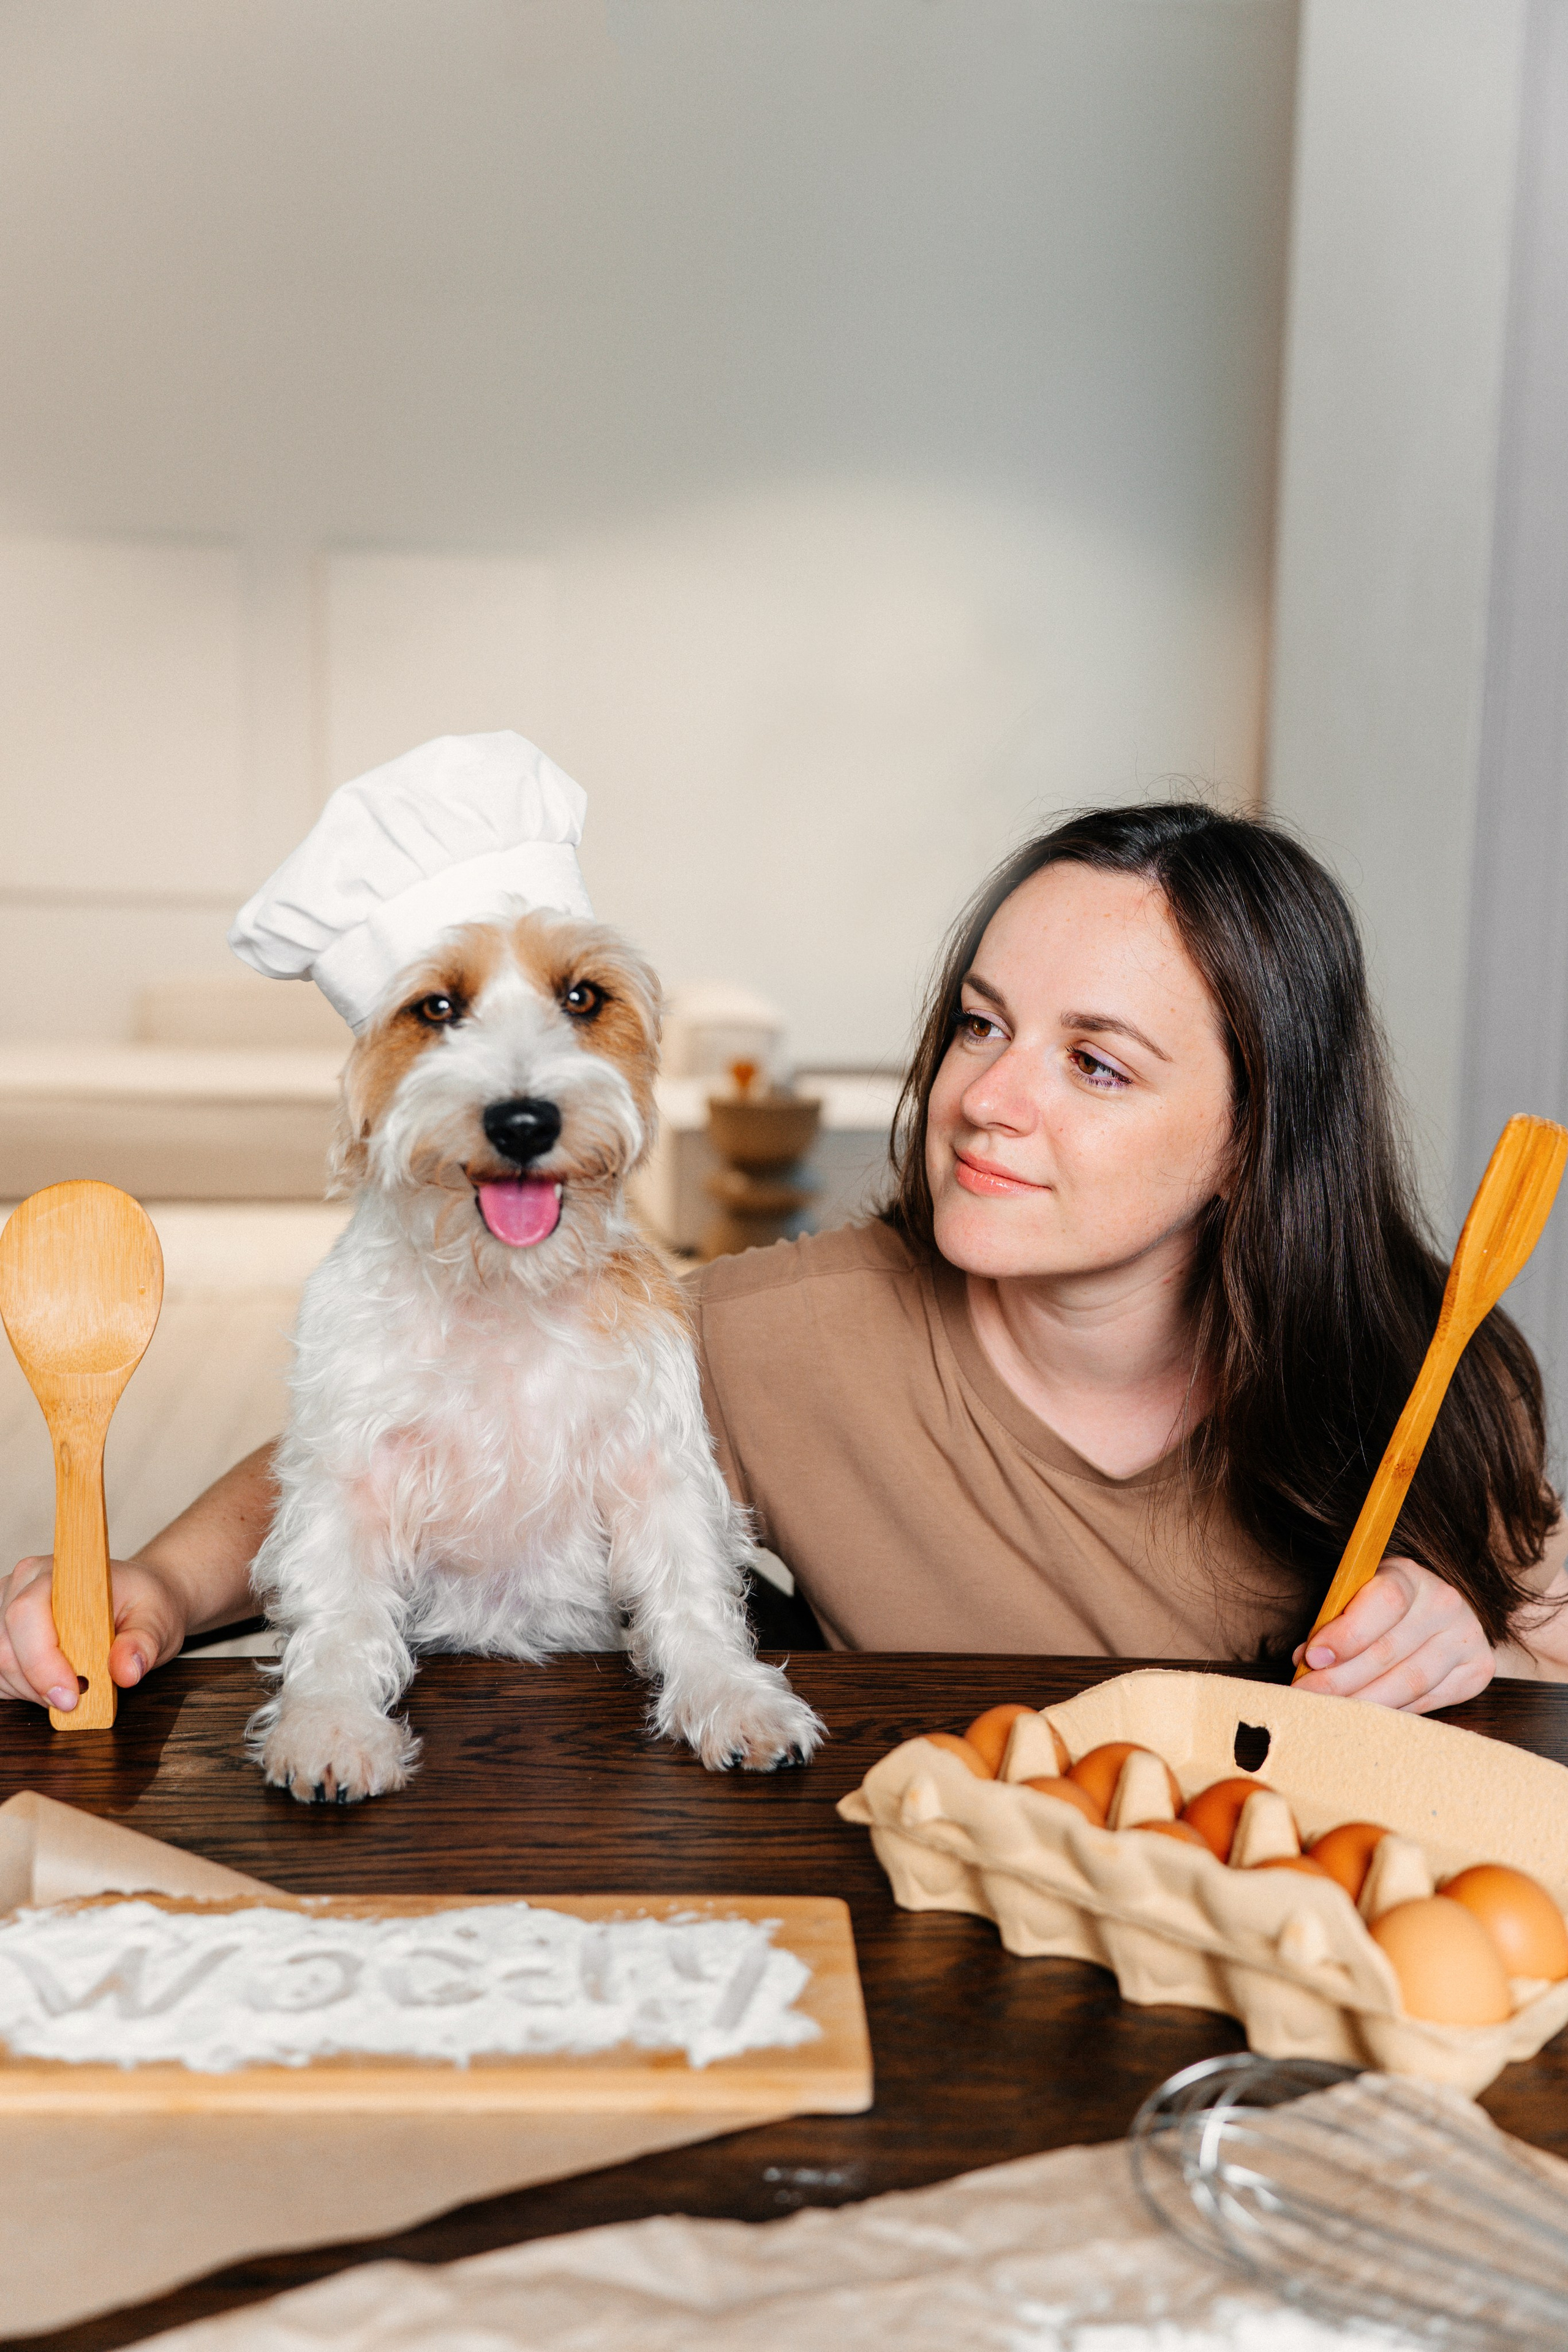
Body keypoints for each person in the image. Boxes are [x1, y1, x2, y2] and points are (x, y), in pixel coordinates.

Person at [2, 802, 1564, 1713]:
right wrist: (150, 1581)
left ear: (1250, 1137)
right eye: (980, 1024)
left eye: (1096, 1065)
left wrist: (1466, 1636)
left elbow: (1533, 1656)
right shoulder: (788, 1336)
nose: (986, 1100)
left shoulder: (1428, 1375)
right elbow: (366, 1442)